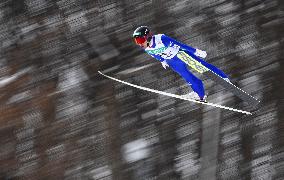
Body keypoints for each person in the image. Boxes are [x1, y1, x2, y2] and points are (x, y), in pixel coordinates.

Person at [132, 26, 230, 102]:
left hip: (181, 54)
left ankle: (223, 78)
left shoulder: (161, 39)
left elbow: (180, 45)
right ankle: (200, 94)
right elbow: (156, 55)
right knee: (188, 77)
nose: (140, 44)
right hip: (172, 61)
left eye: (140, 40)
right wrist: (162, 61)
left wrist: (195, 51)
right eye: (137, 41)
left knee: (202, 66)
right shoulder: (147, 49)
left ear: (147, 36)